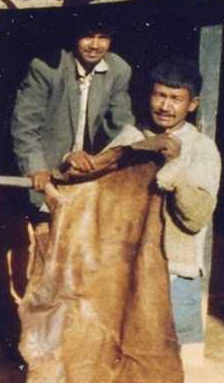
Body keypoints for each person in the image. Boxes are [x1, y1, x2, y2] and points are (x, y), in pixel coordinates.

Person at [111, 57, 222, 358]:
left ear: (193, 103)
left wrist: (176, 166)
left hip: (175, 273)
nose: (165, 106)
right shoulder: (130, 138)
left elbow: (197, 218)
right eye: (159, 95)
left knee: (167, 364)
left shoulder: (201, 149)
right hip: (128, 268)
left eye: (176, 98)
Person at [11, 17, 134, 274]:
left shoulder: (118, 70)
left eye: (103, 37)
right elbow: (25, 124)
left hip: (81, 173)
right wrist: (37, 168)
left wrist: (122, 157)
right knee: (45, 249)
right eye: (88, 36)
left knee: (79, 255)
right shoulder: (46, 68)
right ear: (74, 36)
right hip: (46, 171)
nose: (95, 45)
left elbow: (120, 126)